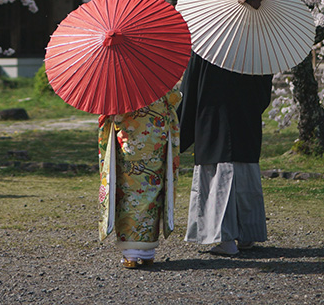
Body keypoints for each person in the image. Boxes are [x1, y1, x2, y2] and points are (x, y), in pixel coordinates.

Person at [177, 51, 274, 256]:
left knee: (218, 179)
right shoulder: (257, 47)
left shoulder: (207, 46)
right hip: (245, 117)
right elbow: (264, 93)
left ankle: (225, 238)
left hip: (213, 117)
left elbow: (190, 89)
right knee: (245, 176)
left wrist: (180, 132)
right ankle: (247, 235)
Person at [97, 89, 181, 269]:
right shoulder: (160, 80)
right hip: (155, 143)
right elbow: (175, 99)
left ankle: (131, 254)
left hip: (129, 146)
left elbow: (109, 112)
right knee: (152, 193)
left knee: (128, 195)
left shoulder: (119, 84)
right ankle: (148, 253)